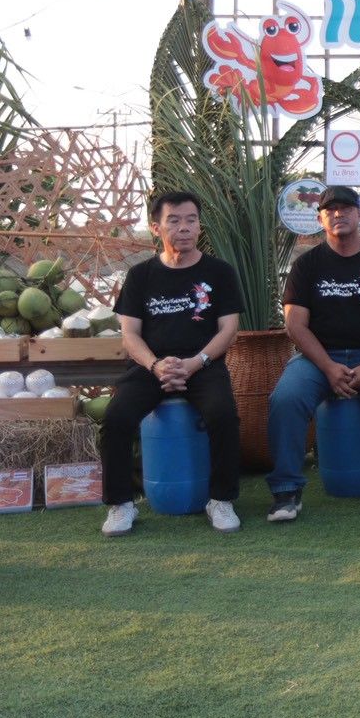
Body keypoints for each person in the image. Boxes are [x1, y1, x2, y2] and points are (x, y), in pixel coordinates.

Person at [265, 186, 360, 522]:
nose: (338, 214)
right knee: (285, 398)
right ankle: (286, 492)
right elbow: (295, 324)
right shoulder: (307, 265)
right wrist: (328, 367)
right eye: (330, 209)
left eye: (346, 208)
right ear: (320, 218)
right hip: (318, 358)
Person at [99, 191, 244, 537]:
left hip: (203, 364)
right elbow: (130, 335)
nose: (184, 228)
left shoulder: (219, 272)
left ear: (199, 226)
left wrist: (195, 363)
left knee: (224, 415)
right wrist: (155, 366)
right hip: (152, 366)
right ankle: (121, 504)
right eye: (174, 221)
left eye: (191, 220)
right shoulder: (140, 276)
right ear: (155, 228)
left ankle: (221, 499)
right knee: (116, 418)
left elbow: (229, 329)